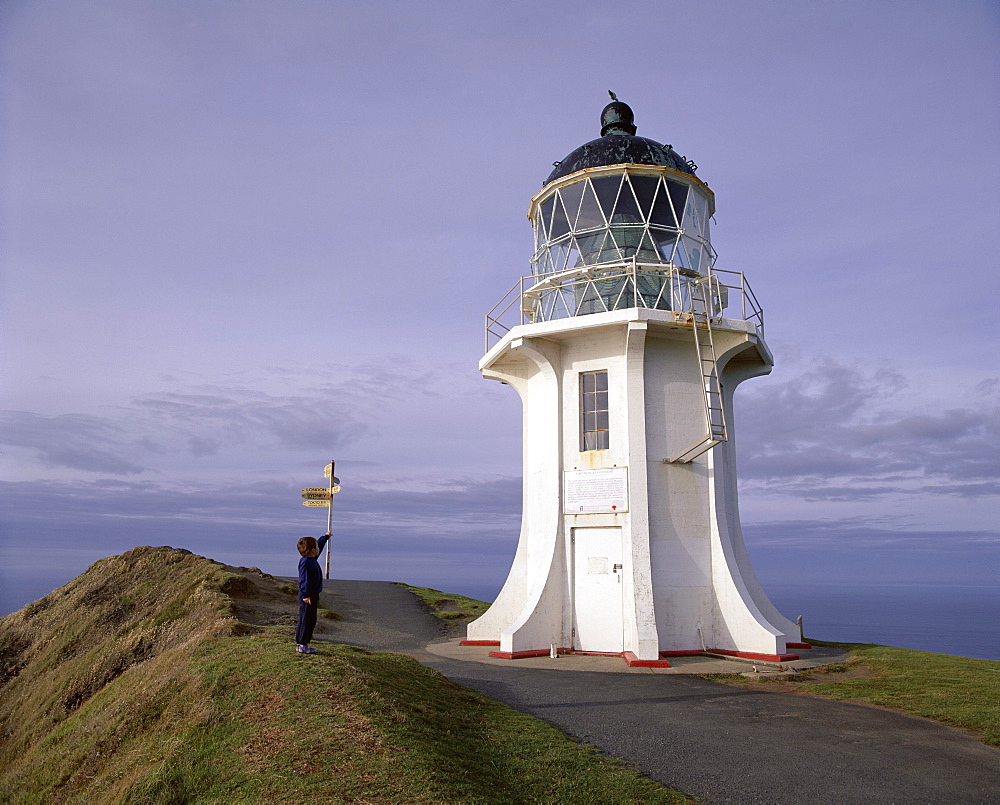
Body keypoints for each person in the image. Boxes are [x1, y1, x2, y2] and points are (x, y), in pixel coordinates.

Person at [295, 532, 331, 654]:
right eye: (316, 547)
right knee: (307, 620)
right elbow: (304, 579)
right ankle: (303, 645)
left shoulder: (311, 559)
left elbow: (319, 546)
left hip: (312, 595)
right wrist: (305, 595)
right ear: (312, 550)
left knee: (309, 619)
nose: (318, 548)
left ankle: (301, 644)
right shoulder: (306, 562)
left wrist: (325, 537)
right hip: (308, 596)